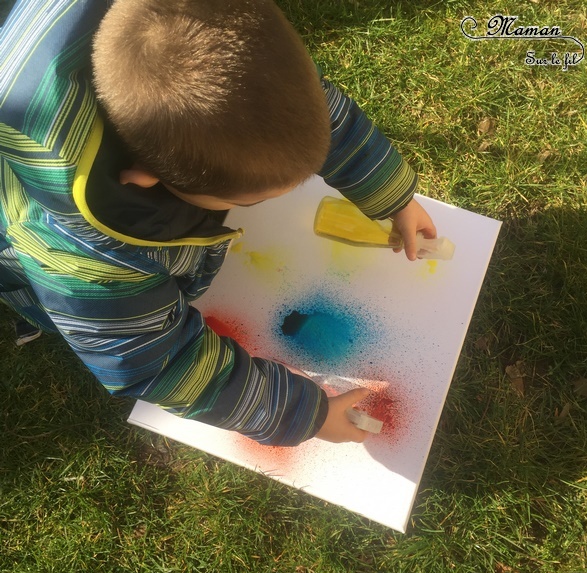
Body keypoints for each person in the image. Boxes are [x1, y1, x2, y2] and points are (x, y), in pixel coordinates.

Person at [0, 0, 436, 446]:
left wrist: (393, 196)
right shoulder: (82, 253)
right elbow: (159, 364)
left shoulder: (218, 50)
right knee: (67, 305)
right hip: (28, 242)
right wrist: (304, 412)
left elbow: (317, 118)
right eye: (252, 199)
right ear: (146, 180)